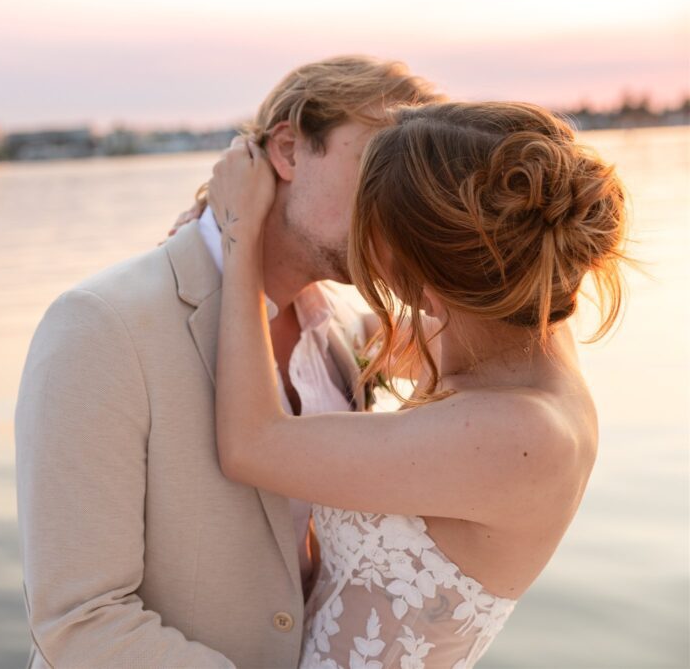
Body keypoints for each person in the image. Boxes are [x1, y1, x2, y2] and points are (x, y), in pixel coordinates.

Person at [14, 56, 443, 667]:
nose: (397, 204)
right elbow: (78, 621)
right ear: (289, 151)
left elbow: (487, 355)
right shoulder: (101, 325)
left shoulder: (344, 327)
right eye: (380, 168)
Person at [205, 100, 630, 667]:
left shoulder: (522, 434)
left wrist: (239, 235)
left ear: (427, 288)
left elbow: (251, 445)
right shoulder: (515, 337)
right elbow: (367, 341)